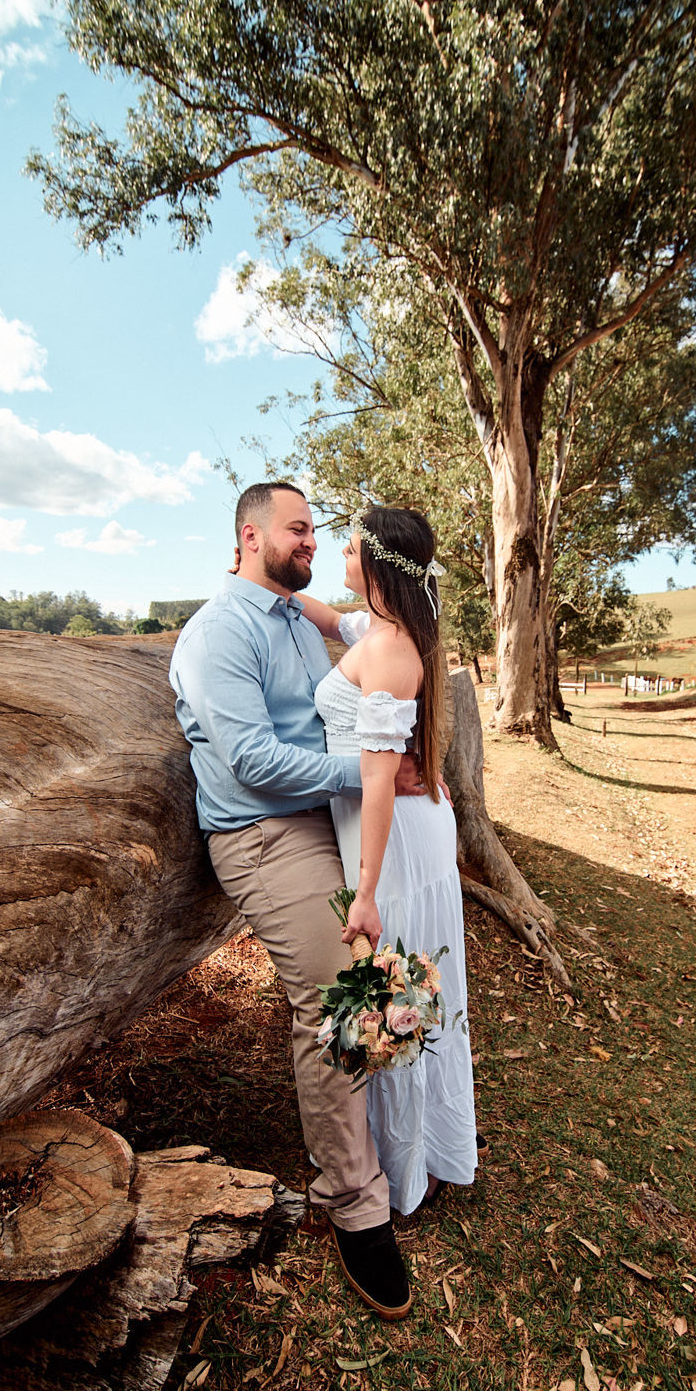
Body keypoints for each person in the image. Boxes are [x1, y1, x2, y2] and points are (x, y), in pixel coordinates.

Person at [169, 482, 420, 1320]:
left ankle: (409, 1136)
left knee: (390, 963)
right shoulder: (218, 634)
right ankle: (355, 1202)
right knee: (334, 999)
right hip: (265, 834)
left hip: (329, 820)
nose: (312, 540)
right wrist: (372, 774)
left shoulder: (290, 620)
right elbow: (253, 762)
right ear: (250, 535)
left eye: (316, 529)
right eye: (299, 528)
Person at [296, 506, 478, 1216]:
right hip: (399, 826)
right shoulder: (377, 629)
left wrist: (365, 891)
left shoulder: (393, 649)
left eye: (348, 543)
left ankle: (414, 1161)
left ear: (376, 561)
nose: (337, 550)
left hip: (393, 841)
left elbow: (376, 780)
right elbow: (326, 616)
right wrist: (258, 588)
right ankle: (414, 1145)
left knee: (402, 993)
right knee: (411, 991)